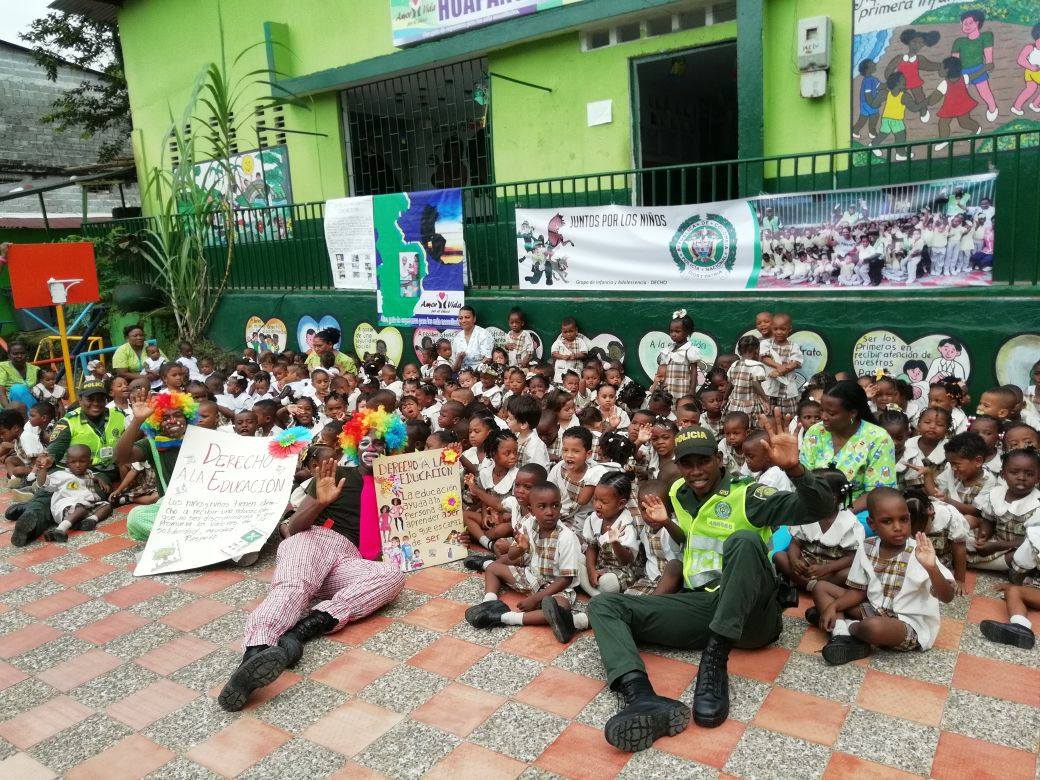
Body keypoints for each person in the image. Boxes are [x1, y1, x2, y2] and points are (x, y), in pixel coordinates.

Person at [587, 413, 834, 752]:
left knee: (744, 541)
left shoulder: (747, 494)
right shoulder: (679, 492)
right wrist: (667, 525)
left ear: (719, 460)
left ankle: (713, 664)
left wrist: (796, 469)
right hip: (703, 605)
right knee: (603, 604)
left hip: (751, 618)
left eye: (703, 461)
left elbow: (818, 507)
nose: (695, 470)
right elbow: (693, 541)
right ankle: (641, 698)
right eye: (687, 463)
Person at [218, 408, 407, 712]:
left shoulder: (399, 487)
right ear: (353, 446)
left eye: (380, 443)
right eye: (365, 442)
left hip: (351, 560)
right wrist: (319, 503)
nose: (372, 448)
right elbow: (291, 529)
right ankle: (255, 654)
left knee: (393, 575)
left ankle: (302, 631)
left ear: (391, 448)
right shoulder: (334, 475)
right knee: (293, 586)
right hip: (316, 538)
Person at [811, 488, 955, 665]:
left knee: (873, 627)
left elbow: (947, 597)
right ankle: (841, 629)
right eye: (887, 521)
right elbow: (858, 592)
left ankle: (843, 628)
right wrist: (834, 606)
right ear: (872, 524)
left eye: (904, 519)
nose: (898, 527)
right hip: (874, 609)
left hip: (906, 625)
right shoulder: (867, 546)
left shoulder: (920, 552)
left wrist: (932, 568)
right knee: (821, 588)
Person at [462, 481, 588, 642]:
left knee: (560, 608)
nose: (550, 512)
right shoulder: (529, 524)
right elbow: (513, 555)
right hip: (532, 576)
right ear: (531, 510)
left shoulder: (566, 537)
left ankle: (506, 617)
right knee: (493, 568)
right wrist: (520, 548)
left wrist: (536, 599)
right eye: (542, 507)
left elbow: (566, 579)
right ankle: (490, 603)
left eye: (555, 506)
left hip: (556, 586)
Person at [800, 380, 897, 512]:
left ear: (852, 413)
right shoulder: (815, 431)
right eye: (821, 410)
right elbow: (805, 477)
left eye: (831, 413)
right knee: (783, 532)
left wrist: (843, 516)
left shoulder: (878, 438)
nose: (823, 417)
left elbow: (878, 491)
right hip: (815, 506)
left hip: (859, 509)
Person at [116, 391, 200, 541]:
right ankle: (188, 538)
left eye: (178, 415)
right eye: (165, 418)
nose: (173, 420)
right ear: (157, 423)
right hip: (172, 509)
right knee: (136, 517)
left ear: (187, 417)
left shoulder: (203, 438)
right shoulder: (152, 444)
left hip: (205, 505)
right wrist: (137, 420)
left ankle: (177, 538)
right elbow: (120, 457)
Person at [35, 444, 113, 542]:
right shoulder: (61, 475)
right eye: (73, 462)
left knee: (107, 506)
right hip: (66, 508)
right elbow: (43, 483)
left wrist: (99, 480)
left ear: (90, 462)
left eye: (82, 461)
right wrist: (43, 468)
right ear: (67, 464)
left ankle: (90, 520)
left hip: (85, 507)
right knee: (82, 507)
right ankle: (60, 529)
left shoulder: (88, 472)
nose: (78, 465)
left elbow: (91, 476)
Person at [657, 310, 700, 403]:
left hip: (682, 389)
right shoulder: (669, 349)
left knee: (681, 407)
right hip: (668, 387)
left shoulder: (690, 350)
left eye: (677, 331)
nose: (673, 334)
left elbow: (694, 371)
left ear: (687, 332)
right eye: (671, 331)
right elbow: (664, 368)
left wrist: (692, 390)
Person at [451, 306, 494, 372]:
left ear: (474, 319)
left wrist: (474, 373)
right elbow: (454, 367)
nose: (463, 320)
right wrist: (459, 359)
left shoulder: (483, 334)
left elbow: (488, 358)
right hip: (461, 375)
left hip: (480, 373)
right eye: (460, 318)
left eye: (467, 317)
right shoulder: (457, 337)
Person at [0, 341, 39, 409]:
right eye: (15, 354)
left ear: (27, 354)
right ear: (9, 355)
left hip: (33, 404)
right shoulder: (2, 367)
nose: (19, 356)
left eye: (22, 353)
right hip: (9, 404)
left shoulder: (35, 370)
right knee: (17, 389)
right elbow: (1, 392)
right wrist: (8, 410)